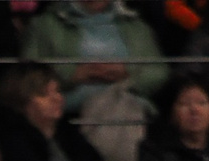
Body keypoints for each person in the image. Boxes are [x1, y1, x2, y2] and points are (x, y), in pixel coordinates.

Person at [21, 0, 167, 148]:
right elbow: (27, 75)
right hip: (67, 114)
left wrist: (128, 74)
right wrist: (73, 74)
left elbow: (158, 72)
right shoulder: (44, 25)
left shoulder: (136, 26)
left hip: (128, 108)